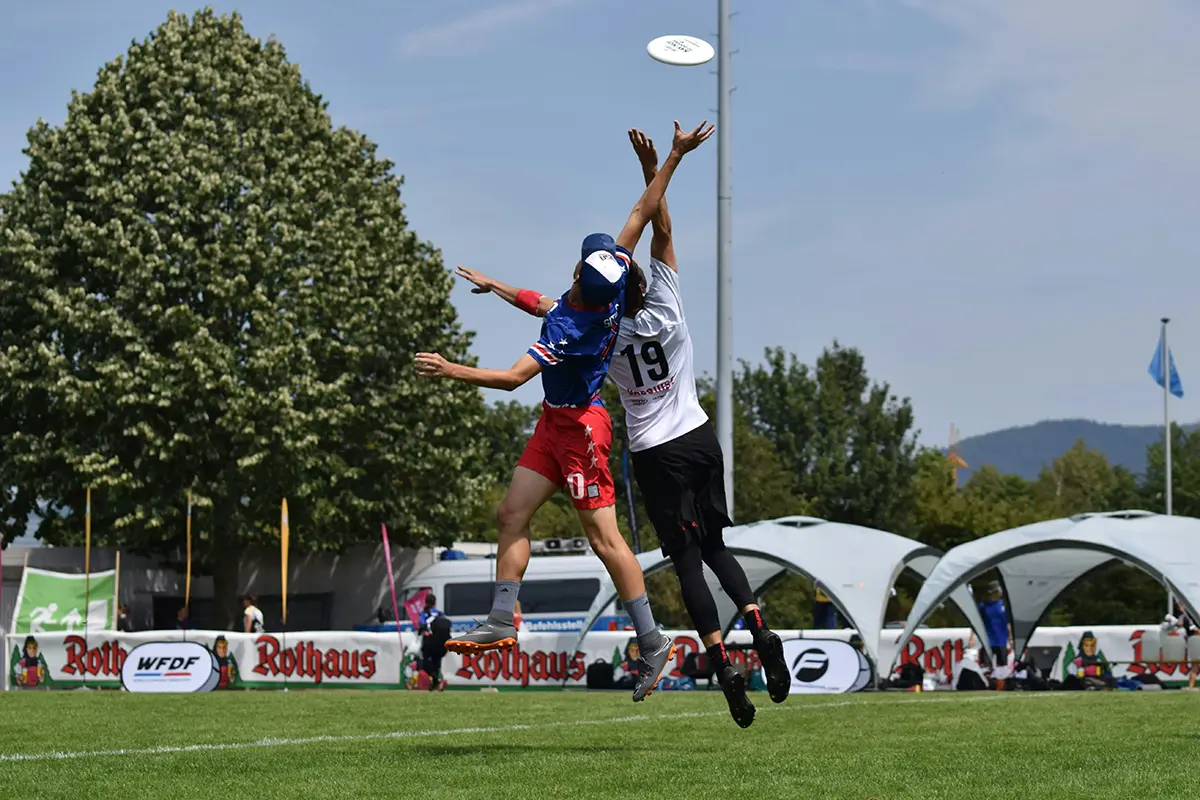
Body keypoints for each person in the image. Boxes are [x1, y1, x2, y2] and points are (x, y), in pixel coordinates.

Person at [417, 119, 714, 702]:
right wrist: (671, 158)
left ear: (581, 276)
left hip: (579, 431)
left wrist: (451, 370)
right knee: (511, 514)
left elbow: (509, 379)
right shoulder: (604, 288)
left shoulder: (571, 325)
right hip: (555, 423)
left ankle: (652, 640)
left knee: (605, 541)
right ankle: (504, 617)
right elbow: (641, 211)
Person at [606, 128, 790, 727]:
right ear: (644, 281)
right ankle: (759, 625)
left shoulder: (600, 336)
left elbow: (548, 307)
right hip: (698, 437)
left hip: (655, 454)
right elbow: (658, 228)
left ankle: (721, 660)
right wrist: (659, 165)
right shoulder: (666, 305)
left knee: (686, 562)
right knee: (717, 547)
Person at [978, 580, 1011, 668]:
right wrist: (972, 637)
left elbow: (1008, 622)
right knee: (986, 667)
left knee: (1002, 668)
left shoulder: (1004, 604)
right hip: (988, 641)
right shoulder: (983, 606)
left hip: (1002, 641)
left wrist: (1011, 638)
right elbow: (978, 622)